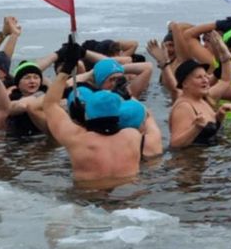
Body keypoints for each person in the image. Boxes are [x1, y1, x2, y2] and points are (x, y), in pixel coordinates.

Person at [42, 41, 163, 186]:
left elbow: (49, 104)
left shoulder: (77, 140)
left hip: (88, 198)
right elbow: (145, 113)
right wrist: (126, 95)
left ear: (86, 115)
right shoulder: (133, 137)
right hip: (128, 200)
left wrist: (67, 68)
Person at [168, 59, 225, 148]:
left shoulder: (201, 100)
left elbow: (210, 132)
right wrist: (196, 128)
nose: (205, 80)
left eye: (206, 76)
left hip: (208, 156)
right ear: (185, 83)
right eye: (199, 77)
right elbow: (175, 144)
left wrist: (219, 116)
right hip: (193, 159)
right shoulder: (183, 107)